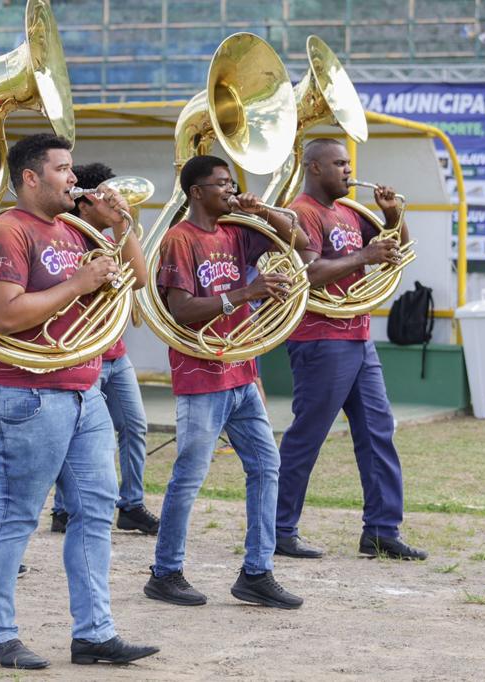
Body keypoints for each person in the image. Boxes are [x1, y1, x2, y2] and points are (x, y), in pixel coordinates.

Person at [0, 134, 158, 669]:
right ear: (31, 177)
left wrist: (121, 226)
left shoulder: (74, 230)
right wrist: (79, 283)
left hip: (82, 389)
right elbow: (5, 315)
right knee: (16, 516)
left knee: (96, 512)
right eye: (63, 169)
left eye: (72, 169)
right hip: (23, 392)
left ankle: (94, 633)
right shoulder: (5, 231)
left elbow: (138, 280)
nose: (73, 178)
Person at [143, 155, 306, 610]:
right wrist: (246, 292)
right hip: (201, 374)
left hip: (240, 370)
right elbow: (181, 310)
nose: (231, 191)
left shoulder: (236, 231)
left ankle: (257, 572)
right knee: (190, 477)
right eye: (222, 184)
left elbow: (300, 240)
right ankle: (165, 572)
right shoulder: (180, 239)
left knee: (266, 466)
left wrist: (264, 211)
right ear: (197, 192)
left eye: (232, 184)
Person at [276, 138, 428, 562]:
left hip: (357, 335)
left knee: (378, 432)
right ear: (314, 168)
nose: (348, 170)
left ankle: (382, 531)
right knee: (308, 437)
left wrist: (393, 216)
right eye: (339, 163)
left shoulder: (349, 211)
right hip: (321, 338)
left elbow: (396, 250)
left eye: (348, 163)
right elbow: (309, 272)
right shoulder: (301, 212)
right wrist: (364, 254)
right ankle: (279, 528)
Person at [49, 162, 158, 536]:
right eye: (107, 196)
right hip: (80, 352)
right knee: (76, 432)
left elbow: (139, 278)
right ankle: (64, 508)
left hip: (114, 351)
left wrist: (122, 224)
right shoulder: (65, 236)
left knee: (134, 426)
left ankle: (132, 504)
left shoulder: (111, 238)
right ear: (84, 202)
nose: (116, 201)